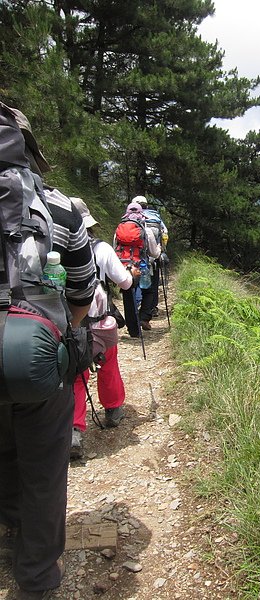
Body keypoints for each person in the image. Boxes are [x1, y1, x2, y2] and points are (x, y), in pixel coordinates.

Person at [0, 105, 96, 599]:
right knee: (42, 468)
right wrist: (56, 341)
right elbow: (82, 289)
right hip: (37, 361)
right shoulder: (57, 206)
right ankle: (35, 581)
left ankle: (9, 526)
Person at [70, 197, 139, 459]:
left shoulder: (53, 247)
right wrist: (131, 276)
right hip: (99, 321)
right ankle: (112, 409)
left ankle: (75, 429)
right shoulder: (100, 248)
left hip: (69, 322)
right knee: (108, 363)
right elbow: (124, 283)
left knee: (76, 374)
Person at [118, 201, 161, 336]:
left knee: (128, 296)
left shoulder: (119, 229)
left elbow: (115, 247)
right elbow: (154, 253)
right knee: (148, 292)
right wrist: (159, 251)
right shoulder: (145, 230)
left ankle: (133, 330)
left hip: (124, 267)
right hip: (141, 267)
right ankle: (143, 317)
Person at [133, 195, 169, 318]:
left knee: (137, 283)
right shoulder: (155, 217)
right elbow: (165, 233)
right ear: (146, 205)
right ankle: (151, 307)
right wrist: (161, 250)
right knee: (152, 282)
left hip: (134, 258)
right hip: (153, 256)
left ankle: (137, 307)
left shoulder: (131, 218)